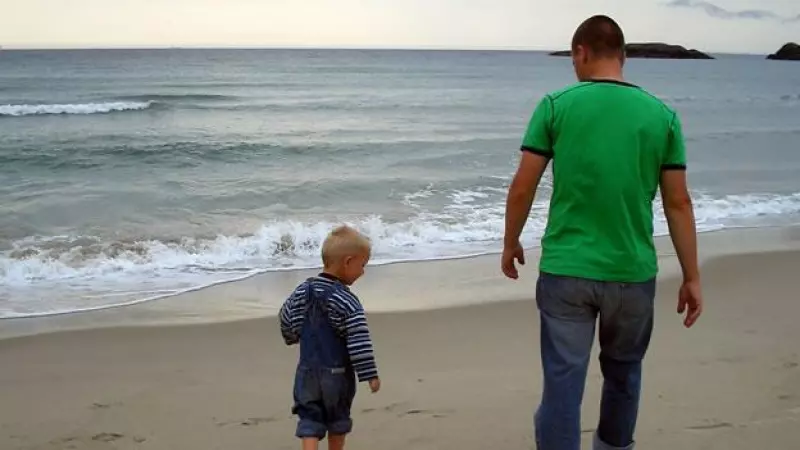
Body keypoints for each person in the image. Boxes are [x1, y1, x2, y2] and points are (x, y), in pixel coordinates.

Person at [501, 15, 704, 450]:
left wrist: (510, 240)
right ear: (623, 56)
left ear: (581, 52)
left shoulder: (555, 105)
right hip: (632, 272)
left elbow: (522, 186)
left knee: (563, 381)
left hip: (567, 271)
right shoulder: (662, 116)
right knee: (624, 374)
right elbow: (678, 203)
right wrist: (692, 276)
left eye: (573, 58)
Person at [279, 225, 381, 450]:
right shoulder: (346, 300)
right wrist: (369, 374)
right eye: (362, 265)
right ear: (348, 262)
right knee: (337, 421)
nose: (363, 272)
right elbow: (358, 340)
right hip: (337, 376)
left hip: (306, 373)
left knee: (309, 420)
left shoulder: (302, 291)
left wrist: (291, 335)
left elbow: (286, 316)